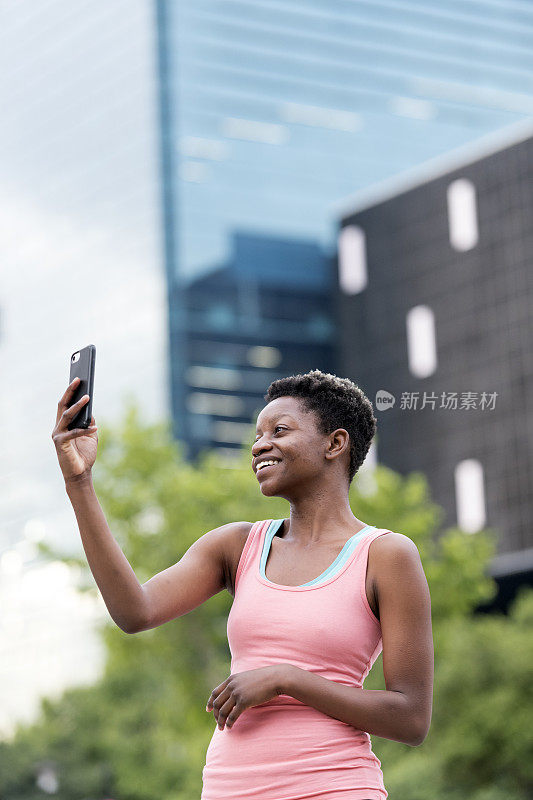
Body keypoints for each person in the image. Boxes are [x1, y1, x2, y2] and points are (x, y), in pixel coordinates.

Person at [52, 369, 433, 800]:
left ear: (335, 443)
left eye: (280, 430)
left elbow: (410, 719)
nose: (259, 445)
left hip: (335, 785)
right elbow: (134, 611)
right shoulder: (237, 545)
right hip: (230, 787)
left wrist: (286, 678)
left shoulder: (386, 555)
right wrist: (79, 481)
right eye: (257, 434)